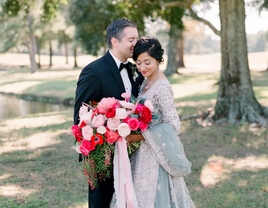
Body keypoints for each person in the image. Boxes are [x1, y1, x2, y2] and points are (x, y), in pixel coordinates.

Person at [110, 36, 195, 208]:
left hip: (156, 157)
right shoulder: (147, 82)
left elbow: (174, 125)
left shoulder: (162, 86)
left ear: (158, 59)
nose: (142, 67)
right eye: (139, 63)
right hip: (142, 155)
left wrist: (140, 136)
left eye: (147, 62)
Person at [73, 18, 144, 208]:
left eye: (136, 38)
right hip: (103, 158)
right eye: (131, 39)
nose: (136, 44)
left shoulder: (135, 69)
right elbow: (81, 116)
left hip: (133, 154)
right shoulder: (94, 71)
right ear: (115, 41)